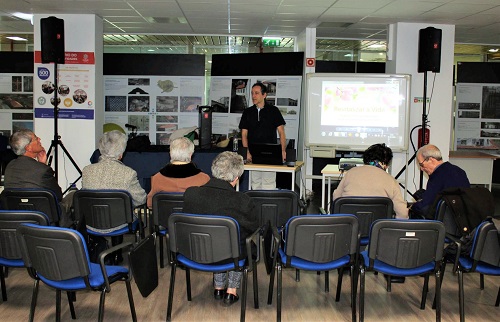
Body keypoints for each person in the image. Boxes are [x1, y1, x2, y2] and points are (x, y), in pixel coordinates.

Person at [183, 151, 259, 306]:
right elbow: (252, 228)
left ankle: (218, 287)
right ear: (237, 178)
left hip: (196, 252)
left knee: (216, 238)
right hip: (230, 256)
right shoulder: (243, 201)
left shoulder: (191, 194)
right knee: (240, 241)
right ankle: (231, 291)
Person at [82, 130, 147, 261]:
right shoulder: (128, 173)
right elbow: (141, 199)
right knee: (120, 212)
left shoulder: (87, 171)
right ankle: (117, 254)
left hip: (91, 221)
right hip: (121, 222)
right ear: (121, 154)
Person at [3, 129, 75, 227]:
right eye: (36, 138)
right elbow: (58, 196)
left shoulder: (10, 166)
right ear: (28, 147)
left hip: (19, 218)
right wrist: (43, 166)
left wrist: (42, 164)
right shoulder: (42, 170)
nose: (39, 139)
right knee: (73, 194)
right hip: (45, 219)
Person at [332, 143, 409, 219]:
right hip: (377, 228)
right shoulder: (391, 181)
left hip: (349, 226)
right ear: (385, 163)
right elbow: (403, 213)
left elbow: (336, 198)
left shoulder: (350, 173)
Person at [238, 82, 286, 189]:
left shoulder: (274, 111)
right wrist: (247, 152)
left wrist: (282, 151)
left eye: (256, 93)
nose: (253, 96)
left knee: (268, 184)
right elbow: (244, 134)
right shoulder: (247, 112)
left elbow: (281, 132)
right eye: (252, 93)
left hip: (271, 154)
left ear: (264, 95)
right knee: (255, 184)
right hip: (254, 155)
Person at [146, 137, 209, 208]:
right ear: (190, 155)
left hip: (165, 218)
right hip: (193, 218)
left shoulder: (157, 178)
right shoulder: (204, 179)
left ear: (170, 154)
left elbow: (150, 204)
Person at [411, 144, 470, 218]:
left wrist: (412, 207)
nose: (421, 169)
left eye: (421, 164)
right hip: (462, 221)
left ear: (431, 160)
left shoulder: (436, 177)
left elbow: (425, 206)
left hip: (443, 222)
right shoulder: (459, 171)